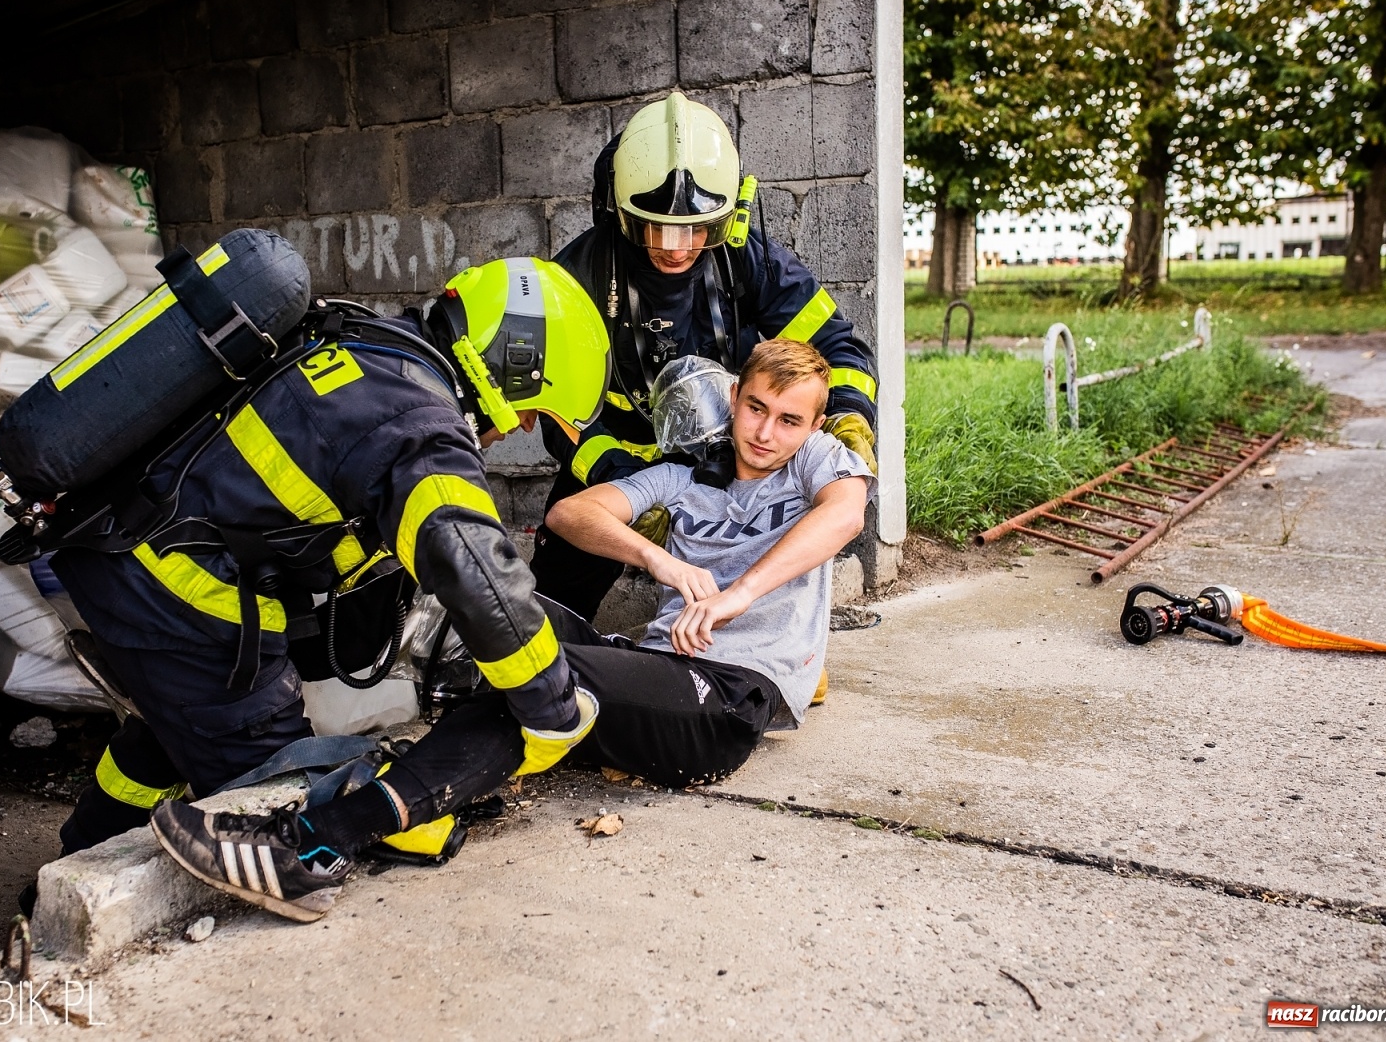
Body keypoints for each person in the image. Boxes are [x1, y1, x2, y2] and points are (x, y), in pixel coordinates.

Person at [149, 338, 872, 922]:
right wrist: (659, 558)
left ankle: (319, 843)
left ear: (811, 426)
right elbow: (570, 516)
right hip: (648, 671)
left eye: (788, 419)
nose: (766, 431)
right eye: (755, 407)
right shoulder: (683, 479)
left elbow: (845, 516)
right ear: (735, 397)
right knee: (521, 626)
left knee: (556, 676)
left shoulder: (814, 464)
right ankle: (412, 805)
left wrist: (737, 594)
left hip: (723, 702)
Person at [49, 257, 612, 882]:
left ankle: (73, 863)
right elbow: (478, 570)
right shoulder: (417, 426)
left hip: (124, 551)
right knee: (283, 819)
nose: (515, 431)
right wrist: (551, 707)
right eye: (529, 412)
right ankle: (94, 887)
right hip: (181, 595)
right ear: (511, 364)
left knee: (171, 729)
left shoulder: (369, 350)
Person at [530, 90, 879, 625]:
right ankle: (538, 672)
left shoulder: (745, 257)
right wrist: (619, 476)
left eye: (697, 229)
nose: (675, 246)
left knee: (780, 518)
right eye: (656, 227)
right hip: (624, 459)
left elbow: (837, 346)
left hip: (738, 452)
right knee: (559, 581)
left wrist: (851, 420)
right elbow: (560, 413)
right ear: (621, 212)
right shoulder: (579, 279)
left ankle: (779, 640)